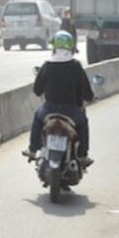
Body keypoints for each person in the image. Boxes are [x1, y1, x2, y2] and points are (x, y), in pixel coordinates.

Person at [24, 31, 94, 167]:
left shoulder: (47, 65)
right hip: (72, 111)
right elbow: (86, 91)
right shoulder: (76, 66)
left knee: (37, 118)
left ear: (54, 48)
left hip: (49, 108)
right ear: (72, 48)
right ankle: (83, 155)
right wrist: (90, 98)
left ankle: (32, 149)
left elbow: (37, 90)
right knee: (83, 123)